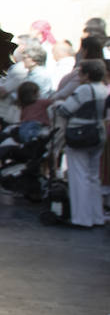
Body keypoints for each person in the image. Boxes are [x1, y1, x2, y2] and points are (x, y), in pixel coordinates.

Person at [53, 59, 107, 228]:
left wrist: (59, 103)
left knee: (79, 177)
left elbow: (65, 110)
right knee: (93, 177)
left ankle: (82, 218)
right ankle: (96, 216)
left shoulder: (85, 89)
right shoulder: (103, 88)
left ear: (87, 75)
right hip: (98, 133)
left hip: (81, 134)